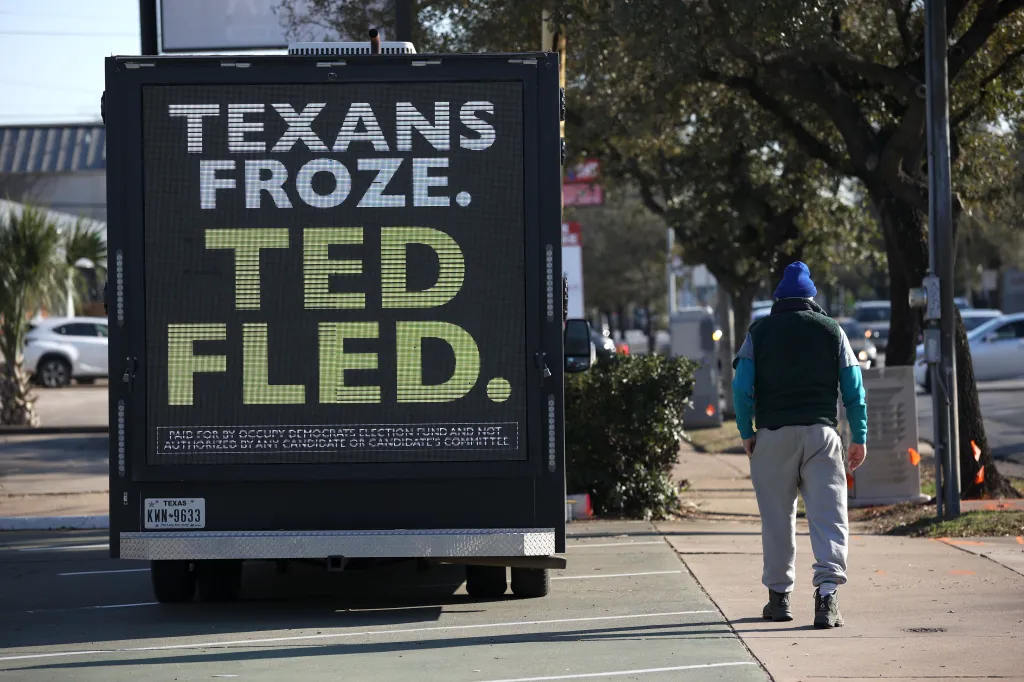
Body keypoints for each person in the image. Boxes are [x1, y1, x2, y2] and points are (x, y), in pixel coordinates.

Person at [731, 262, 868, 629]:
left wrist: (748, 432)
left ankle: (779, 599)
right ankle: (826, 597)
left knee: (778, 521)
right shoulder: (832, 330)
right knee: (828, 517)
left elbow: (742, 389)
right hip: (822, 436)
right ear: (811, 297)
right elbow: (854, 390)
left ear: (778, 298)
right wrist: (859, 437)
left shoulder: (758, 332)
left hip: (773, 436)